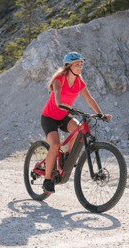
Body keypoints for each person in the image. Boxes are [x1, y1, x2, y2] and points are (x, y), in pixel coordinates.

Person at [41, 51, 112, 194]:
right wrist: (62, 104)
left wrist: (101, 114)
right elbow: (57, 97)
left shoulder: (79, 82)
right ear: (68, 66)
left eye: (81, 64)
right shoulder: (58, 79)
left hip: (64, 116)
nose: (80, 67)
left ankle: (68, 156)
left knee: (80, 129)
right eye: (77, 64)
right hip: (49, 117)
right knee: (55, 145)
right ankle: (47, 180)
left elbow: (89, 99)